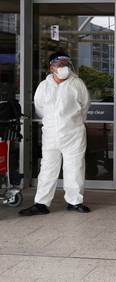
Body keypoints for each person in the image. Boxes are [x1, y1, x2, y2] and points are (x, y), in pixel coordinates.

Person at [19, 51, 90, 216]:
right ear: (51, 67)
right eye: (60, 65)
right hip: (51, 134)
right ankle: (41, 203)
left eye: (66, 64)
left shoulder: (77, 84)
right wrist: (54, 124)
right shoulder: (44, 86)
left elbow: (85, 106)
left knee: (75, 168)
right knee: (47, 168)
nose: (63, 68)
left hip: (74, 133)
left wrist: (71, 122)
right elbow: (39, 109)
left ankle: (74, 202)